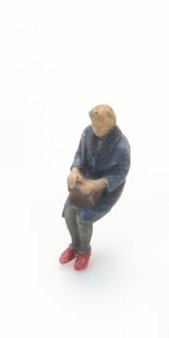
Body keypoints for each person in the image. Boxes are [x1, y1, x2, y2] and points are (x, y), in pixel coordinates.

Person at [60, 105, 131, 272]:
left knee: (83, 217)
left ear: (111, 124)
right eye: (93, 125)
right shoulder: (88, 133)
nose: (95, 129)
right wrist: (75, 170)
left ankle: (84, 249)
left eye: (99, 127)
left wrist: (96, 184)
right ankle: (74, 245)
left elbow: (120, 174)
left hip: (106, 189)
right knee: (69, 211)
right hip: (84, 181)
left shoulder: (121, 146)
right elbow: (79, 155)